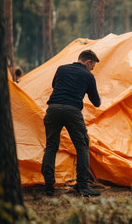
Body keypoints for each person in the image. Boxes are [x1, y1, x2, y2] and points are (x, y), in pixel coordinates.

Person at [41, 49, 102, 197]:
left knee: (51, 146)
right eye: (92, 66)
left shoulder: (61, 69)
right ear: (88, 62)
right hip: (72, 111)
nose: (92, 69)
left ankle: (49, 186)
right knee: (82, 146)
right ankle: (82, 186)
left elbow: (55, 86)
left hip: (53, 109)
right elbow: (96, 102)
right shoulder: (88, 75)